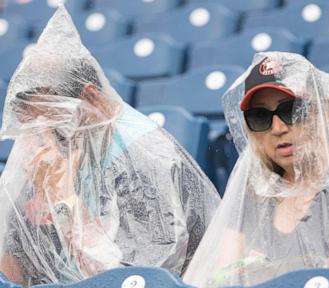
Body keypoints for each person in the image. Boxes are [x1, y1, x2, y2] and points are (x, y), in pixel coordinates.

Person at [0, 6, 220, 286]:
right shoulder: (43, 159)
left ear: (93, 101)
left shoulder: (146, 159)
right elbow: (11, 266)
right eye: (32, 127)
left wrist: (64, 198)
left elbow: (137, 278)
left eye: (53, 119)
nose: (41, 137)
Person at [183, 52, 329, 287]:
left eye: (291, 110)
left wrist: (261, 274)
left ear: (324, 110)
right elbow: (220, 280)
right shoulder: (253, 194)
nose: (277, 128)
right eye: (260, 116)